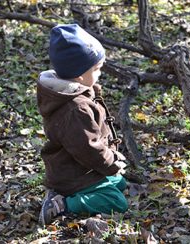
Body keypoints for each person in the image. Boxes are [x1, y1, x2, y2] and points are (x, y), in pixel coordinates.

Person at [37, 23, 128, 226]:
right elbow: (88, 148)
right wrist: (110, 162)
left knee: (120, 183)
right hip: (72, 174)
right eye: (96, 70)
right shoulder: (75, 109)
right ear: (79, 75)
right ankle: (62, 204)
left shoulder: (77, 92)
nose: (100, 74)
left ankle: (81, 191)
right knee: (117, 202)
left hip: (79, 167)